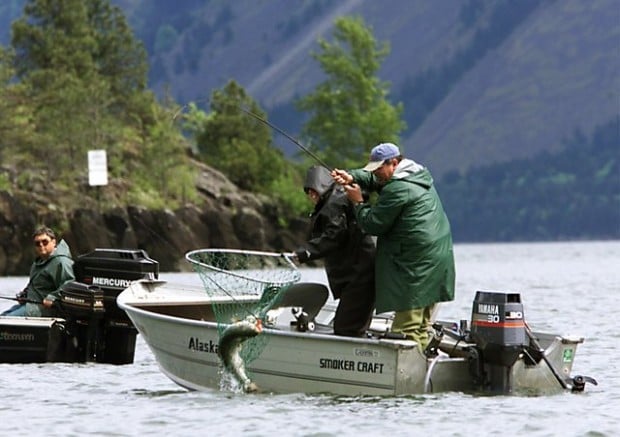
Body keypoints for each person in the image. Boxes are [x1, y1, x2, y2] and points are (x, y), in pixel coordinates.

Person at [331, 143, 455, 351]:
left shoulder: (398, 189)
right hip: (437, 261)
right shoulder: (416, 176)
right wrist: (351, 176)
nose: (376, 173)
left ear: (394, 163)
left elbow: (373, 224)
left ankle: (410, 379)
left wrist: (358, 202)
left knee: (406, 330)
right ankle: (426, 371)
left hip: (416, 268)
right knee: (423, 326)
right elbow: (375, 179)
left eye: (379, 168)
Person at [293, 165, 376, 337]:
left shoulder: (333, 205)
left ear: (321, 187)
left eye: (313, 191)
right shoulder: (341, 198)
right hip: (359, 272)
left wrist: (305, 253)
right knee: (351, 324)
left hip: (358, 275)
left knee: (346, 329)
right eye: (308, 192)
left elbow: (334, 236)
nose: (311, 196)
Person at [1, 226, 75, 317]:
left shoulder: (61, 262)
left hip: (48, 309)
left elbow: (69, 284)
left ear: (53, 242)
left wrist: (52, 297)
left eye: (44, 242)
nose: (41, 245)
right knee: (3, 317)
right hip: (30, 305)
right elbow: (34, 285)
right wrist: (24, 295)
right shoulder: (37, 263)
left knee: (8, 319)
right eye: (37, 243)